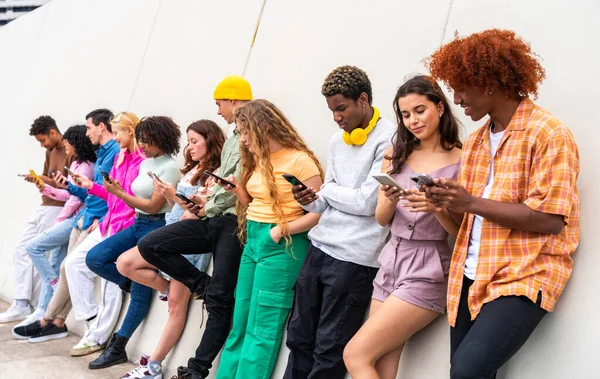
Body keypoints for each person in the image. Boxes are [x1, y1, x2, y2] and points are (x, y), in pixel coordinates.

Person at [425, 29, 580, 378]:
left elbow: (552, 219)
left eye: (460, 87)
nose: (456, 98)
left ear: (489, 81)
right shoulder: (478, 139)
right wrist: (445, 203)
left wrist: (472, 202)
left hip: (522, 274)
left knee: (466, 371)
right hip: (470, 273)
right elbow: (467, 218)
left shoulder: (549, 133)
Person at [343, 75, 463, 379]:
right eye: (405, 115)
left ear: (440, 107)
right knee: (381, 364)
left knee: (354, 355)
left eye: (420, 110)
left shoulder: (462, 160)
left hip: (428, 267)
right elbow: (382, 219)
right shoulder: (398, 152)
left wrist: (436, 208)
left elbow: (460, 232)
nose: (413, 121)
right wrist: (391, 198)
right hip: (391, 259)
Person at [283, 65, 395, 379]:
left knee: (329, 349)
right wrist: (307, 199)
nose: (336, 117)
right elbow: (326, 202)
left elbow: (368, 204)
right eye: (332, 110)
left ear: (363, 100)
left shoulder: (390, 140)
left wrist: (328, 191)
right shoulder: (336, 142)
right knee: (299, 338)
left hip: (355, 260)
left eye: (341, 108)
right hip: (319, 249)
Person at [138, 75, 252, 379]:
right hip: (212, 217)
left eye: (220, 104)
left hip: (232, 224)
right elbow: (223, 185)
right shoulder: (232, 137)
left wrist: (206, 203)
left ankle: (197, 370)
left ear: (232, 100)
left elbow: (238, 187)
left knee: (220, 302)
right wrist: (203, 202)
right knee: (151, 245)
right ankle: (202, 285)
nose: (218, 111)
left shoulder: (250, 136)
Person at [212, 99, 322, 379]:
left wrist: (279, 231)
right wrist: (241, 194)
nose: (242, 139)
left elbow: (319, 214)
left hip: (282, 245)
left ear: (262, 127)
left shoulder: (300, 161)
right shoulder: (259, 159)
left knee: (261, 328)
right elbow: (259, 201)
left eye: (244, 131)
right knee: (240, 323)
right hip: (253, 240)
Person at [21, 111, 141, 355]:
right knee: (71, 264)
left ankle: (91, 332)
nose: (87, 134)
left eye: (89, 128)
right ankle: (88, 321)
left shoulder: (123, 157)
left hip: (116, 224)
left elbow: (128, 198)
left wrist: (95, 206)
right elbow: (109, 194)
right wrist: (85, 189)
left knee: (105, 278)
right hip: (103, 220)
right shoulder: (110, 157)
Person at [116, 119, 226, 379]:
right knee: (125, 263)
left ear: (210, 141)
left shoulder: (216, 171)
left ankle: (153, 365)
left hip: (188, 242)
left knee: (176, 307)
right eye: (188, 141)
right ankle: (164, 288)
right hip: (169, 233)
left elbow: (199, 211)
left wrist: (173, 195)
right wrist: (166, 193)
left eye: (195, 141)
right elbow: (176, 206)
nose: (190, 146)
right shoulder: (190, 167)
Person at [84, 115, 181, 370]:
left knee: (139, 294)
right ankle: (142, 283)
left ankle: (118, 347)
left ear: (161, 139)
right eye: (142, 140)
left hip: (155, 225)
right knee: (95, 258)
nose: (143, 145)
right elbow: (137, 198)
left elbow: (153, 205)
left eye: (148, 141)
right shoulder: (146, 162)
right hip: (137, 224)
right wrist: (118, 192)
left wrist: (120, 194)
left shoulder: (169, 167)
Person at [13, 124, 96, 336]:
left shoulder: (86, 166)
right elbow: (68, 194)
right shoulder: (76, 164)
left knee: (34, 248)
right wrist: (46, 188)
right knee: (54, 261)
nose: (67, 148)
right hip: (71, 217)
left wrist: (60, 217)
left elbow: (76, 198)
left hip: (74, 218)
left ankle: (53, 290)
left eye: (69, 144)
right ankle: (48, 316)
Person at [0, 115, 73, 324]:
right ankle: (22, 303)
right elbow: (48, 180)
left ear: (53, 132)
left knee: (44, 256)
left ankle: (38, 307)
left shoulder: (70, 151)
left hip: (59, 209)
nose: (43, 146)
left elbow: (70, 186)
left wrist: (43, 180)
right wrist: (39, 181)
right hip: (45, 206)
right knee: (22, 249)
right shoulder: (50, 152)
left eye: (43, 140)